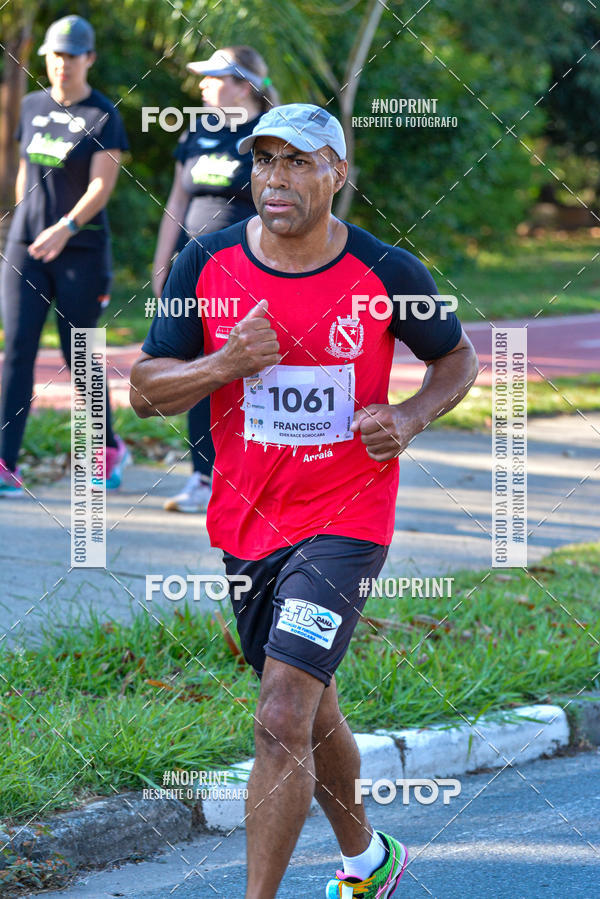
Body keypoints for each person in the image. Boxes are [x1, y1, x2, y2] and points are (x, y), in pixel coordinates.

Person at [131, 104, 478, 898]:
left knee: (282, 710)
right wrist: (224, 363)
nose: (275, 179)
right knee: (308, 709)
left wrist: (411, 415)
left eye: (297, 162)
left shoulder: (389, 270)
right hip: (248, 522)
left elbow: (454, 358)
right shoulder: (206, 263)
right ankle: (369, 859)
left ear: (337, 174)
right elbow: (146, 388)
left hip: (348, 518)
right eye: (264, 161)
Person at [0, 15, 130, 496]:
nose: (62, 64)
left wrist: (66, 226)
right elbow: (24, 170)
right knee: (16, 354)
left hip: (81, 249)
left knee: (81, 357)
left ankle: (107, 449)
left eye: (72, 56)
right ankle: (4, 461)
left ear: (89, 59)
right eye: (56, 55)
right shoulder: (33, 105)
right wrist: (21, 223)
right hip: (26, 247)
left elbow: (102, 183)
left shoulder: (103, 115)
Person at [152, 46, 278, 513]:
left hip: (250, 270)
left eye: (213, 77)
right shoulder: (197, 130)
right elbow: (176, 201)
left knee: (252, 370)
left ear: (243, 86)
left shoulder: (268, 136)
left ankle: (260, 474)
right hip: (195, 269)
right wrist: (162, 262)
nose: (202, 85)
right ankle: (204, 478)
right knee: (201, 371)